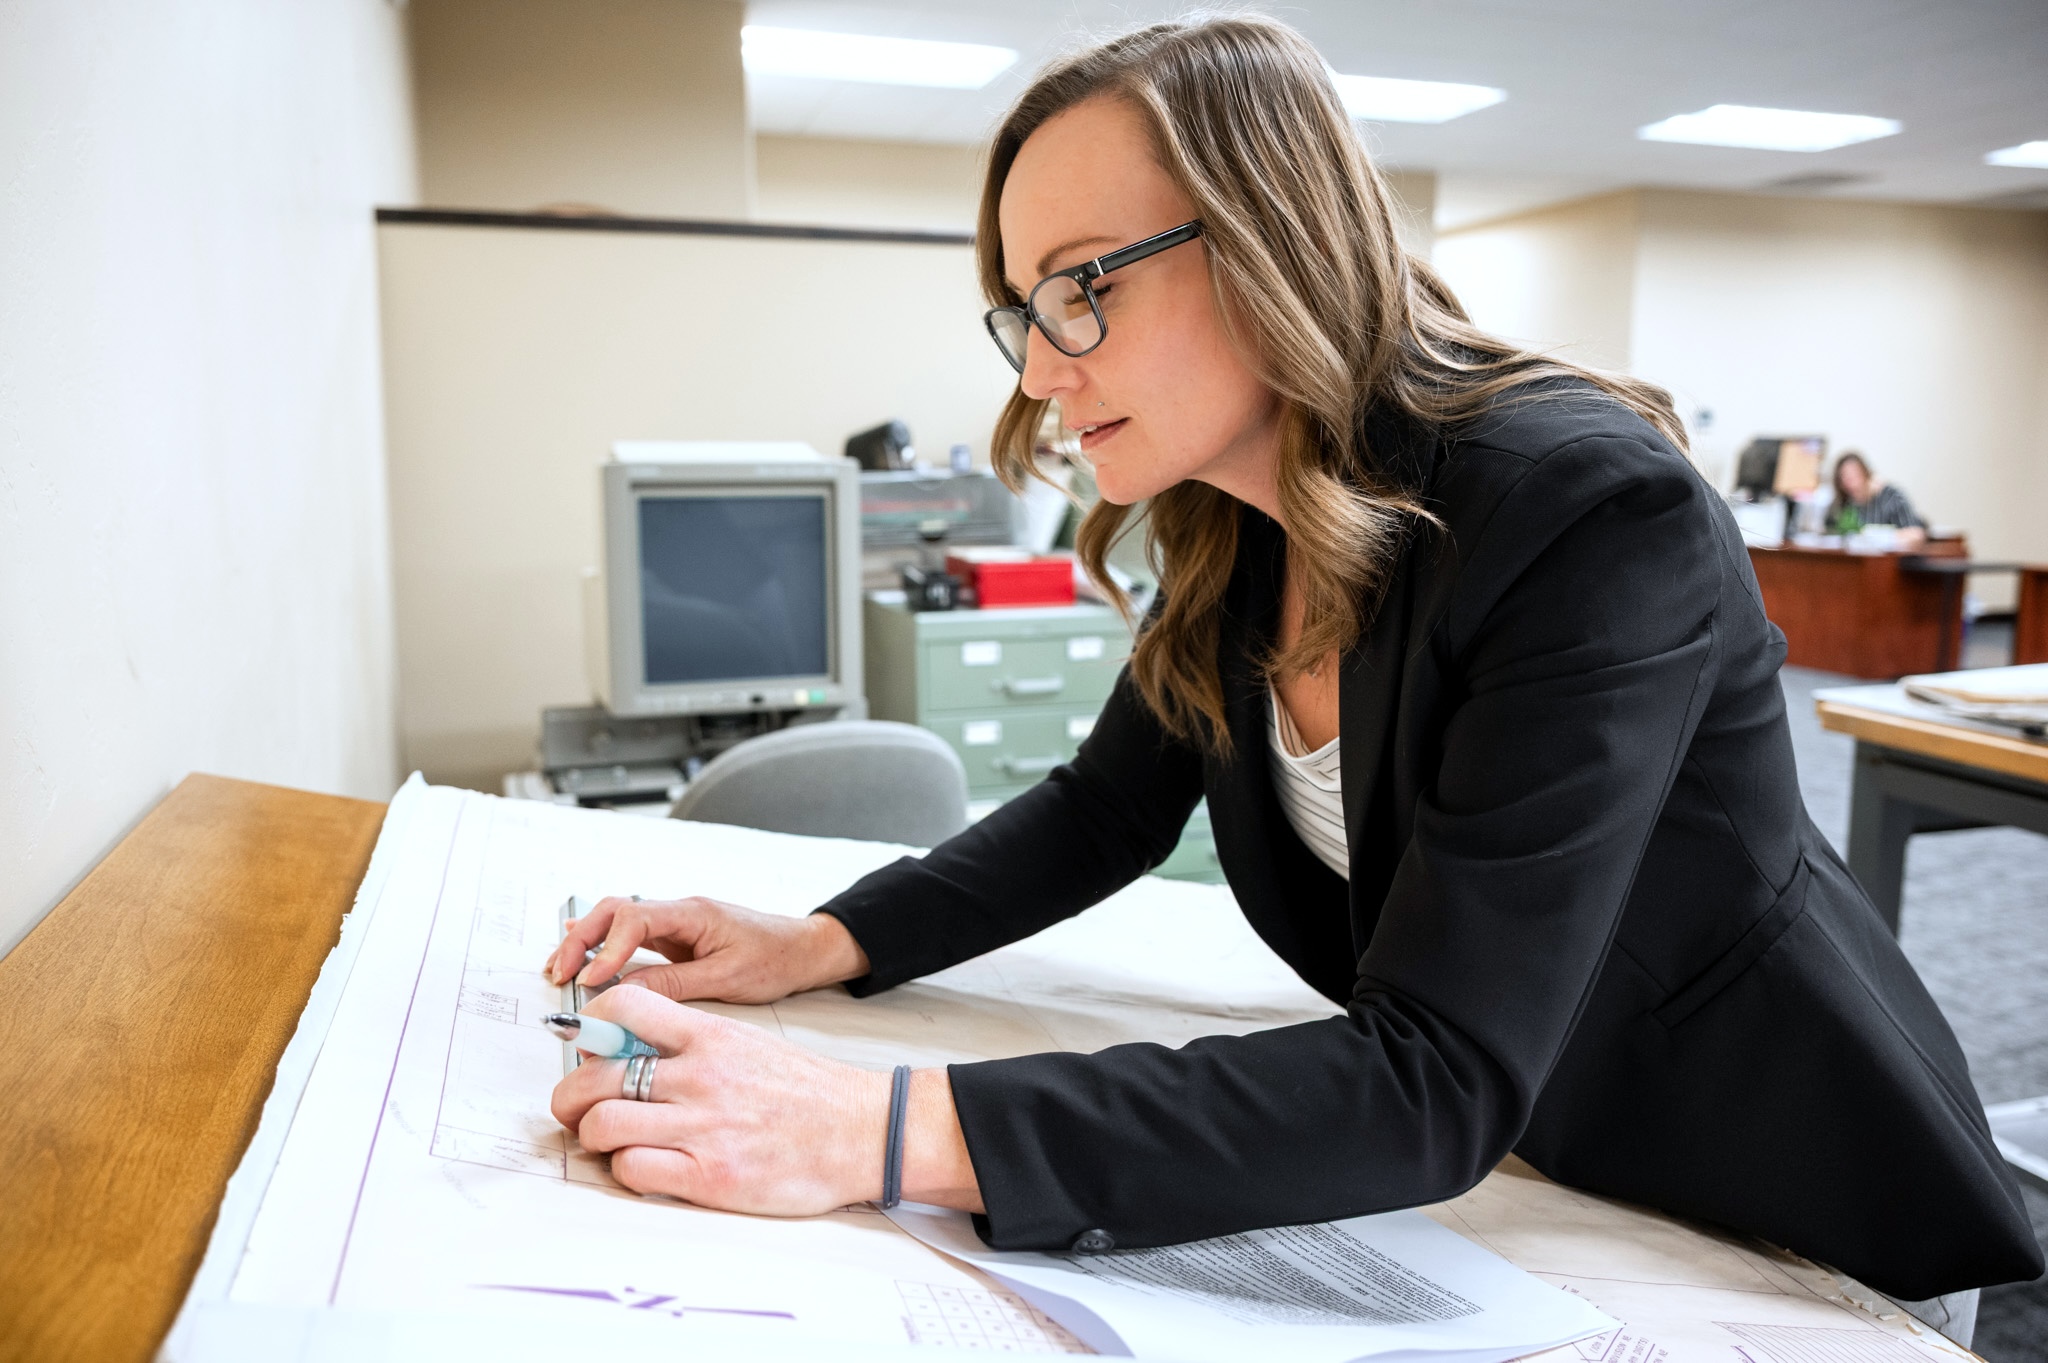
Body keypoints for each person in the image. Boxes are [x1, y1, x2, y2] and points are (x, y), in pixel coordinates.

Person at [542, 14, 2040, 1316]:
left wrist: (879, 1127)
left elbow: (1436, 1071)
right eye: (1022, 310)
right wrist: (821, 939)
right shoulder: (1240, 516)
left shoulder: (1585, 511)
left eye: (1084, 287)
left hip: (1773, 1192)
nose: (1042, 371)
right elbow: (1102, 809)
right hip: (1538, 1173)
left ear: (1267, 238)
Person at [1827, 451, 1927, 546]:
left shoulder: (1891, 497)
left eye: (1854, 475)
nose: (1850, 482)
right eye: (1844, 477)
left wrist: (1883, 537)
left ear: (1865, 473)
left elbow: (1917, 534)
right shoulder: (1845, 503)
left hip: (1891, 559)